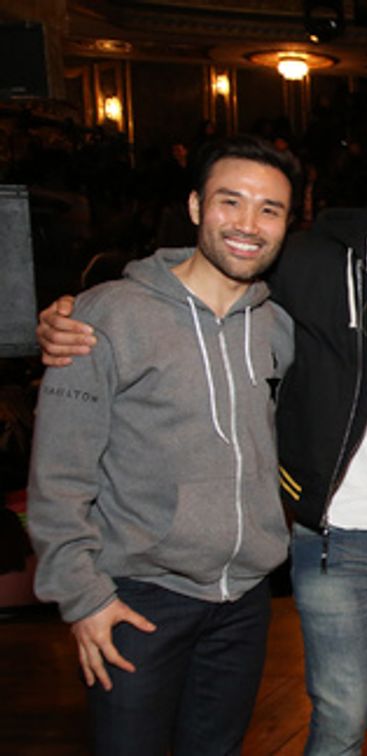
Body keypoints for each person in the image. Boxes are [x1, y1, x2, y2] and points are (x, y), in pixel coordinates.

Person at [37, 114, 367, 756]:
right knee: (342, 715)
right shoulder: (306, 265)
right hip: (329, 542)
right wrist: (68, 315)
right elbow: (60, 470)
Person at [27, 136, 298, 755]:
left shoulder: (277, 328)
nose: (248, 225)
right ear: (197, 206)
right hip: (137, 601)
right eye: (231, 202)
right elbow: (58, 476)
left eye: (270, 209)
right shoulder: (105, 317)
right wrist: (84, 598)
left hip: (244, 603)